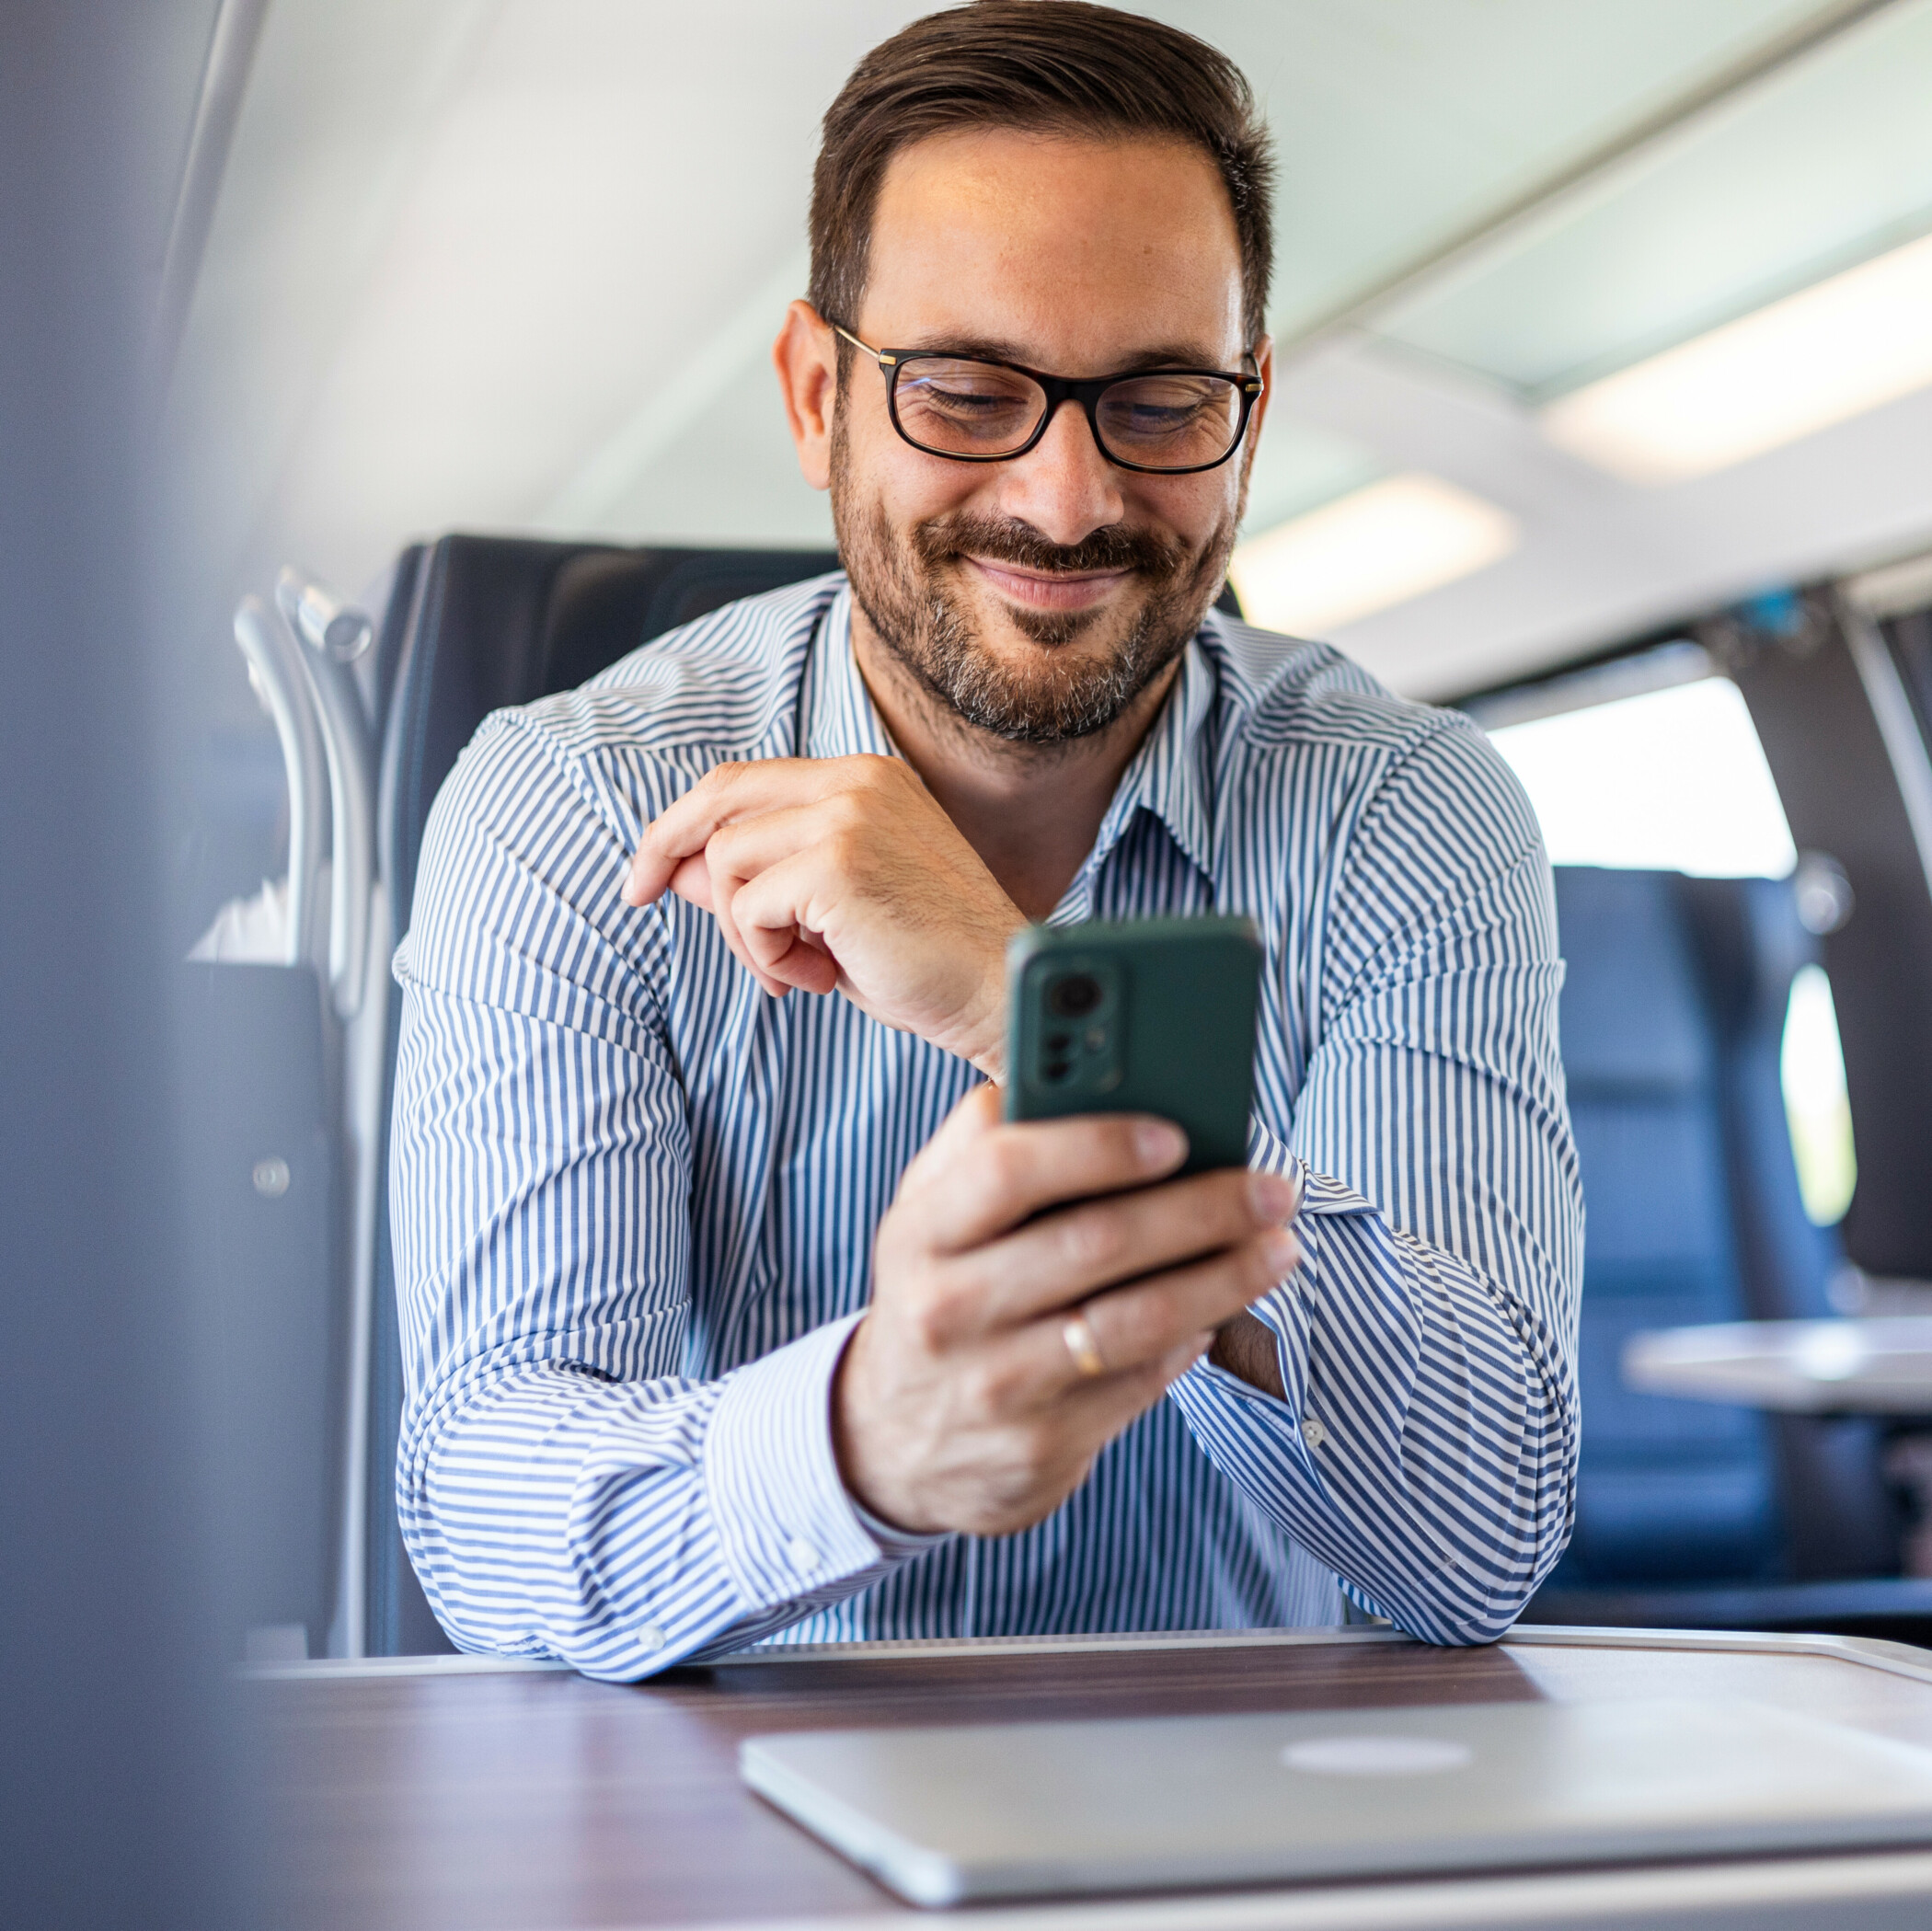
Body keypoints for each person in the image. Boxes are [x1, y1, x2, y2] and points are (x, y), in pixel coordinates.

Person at [390, 0, 1581, 1681]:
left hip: (1264, 1821)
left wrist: (1031, 1008)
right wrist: (867, 1442)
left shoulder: (1409, 808)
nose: (1068, 499)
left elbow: (1481, 1542)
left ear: (1247, 403)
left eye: (1160, 402)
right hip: (737, 1805)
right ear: (820, 397)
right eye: (966, 392)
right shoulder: (567, 806)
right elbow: (488, 1512)